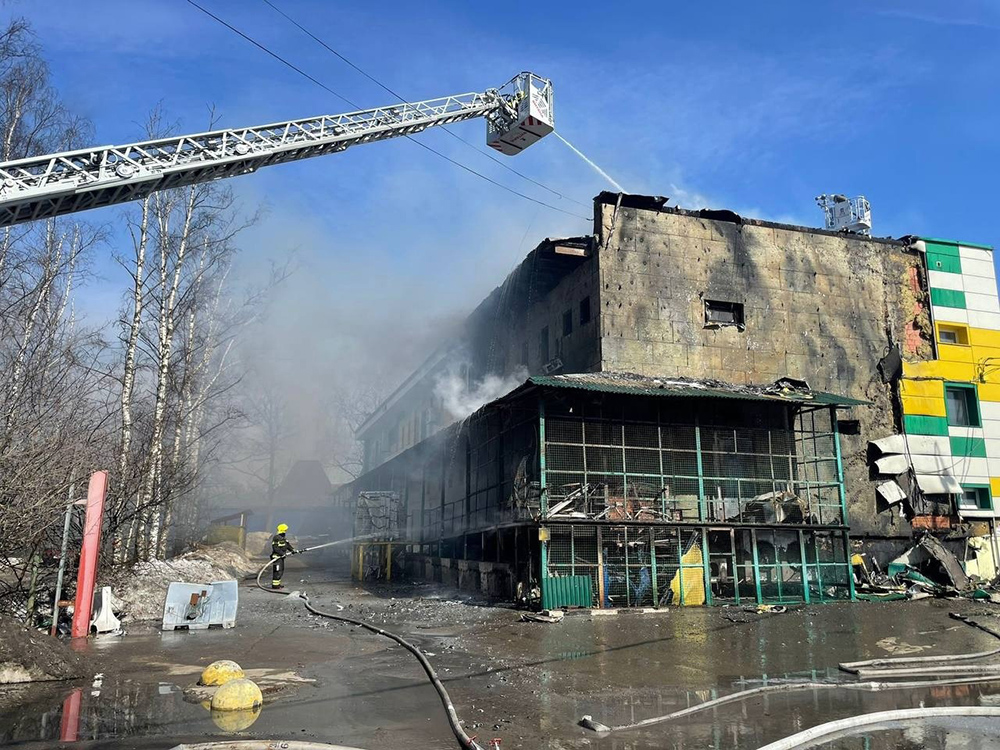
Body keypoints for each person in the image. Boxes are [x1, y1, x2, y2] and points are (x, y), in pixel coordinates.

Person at [270, 523, 296, 589]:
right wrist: (282, 553)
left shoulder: (283, 538)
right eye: (285, 530)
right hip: (276, 557)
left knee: (281, 571)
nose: (285, 532)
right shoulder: (276, 538)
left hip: (281, 558)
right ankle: (275, 585)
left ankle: (278, 584)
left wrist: (292, 550)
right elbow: (275, 548)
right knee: (277, 571)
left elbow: (287, 545)